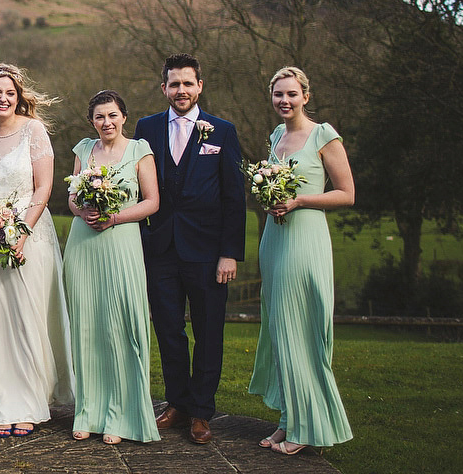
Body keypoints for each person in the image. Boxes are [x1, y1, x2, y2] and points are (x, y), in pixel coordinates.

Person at [134, 53, 245, 445]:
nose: (181, 90)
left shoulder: (222, 131)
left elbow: (235, 197)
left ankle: (201, 412)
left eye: (187, 83)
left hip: (207, 251)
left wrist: (229, 252)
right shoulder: (145, 128)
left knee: (209, 332)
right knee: (168, 331)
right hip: (160, 248)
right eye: (173, 84)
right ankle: (178, 404)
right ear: (163, 88)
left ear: (200, 86)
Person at [0, 63, 73, 437]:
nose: (3, 98)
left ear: (19, 96)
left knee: (27, 317)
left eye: (9, 92)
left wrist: (19, 231)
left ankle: (27, 402)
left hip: (30, 233)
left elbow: (43, 188)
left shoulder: (34, 130)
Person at [249, 66, 354, 455]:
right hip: (275, 237)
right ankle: (288, 419)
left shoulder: (323, 135)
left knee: (301, 331)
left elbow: (347, 193)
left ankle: (308, 427)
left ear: (305, 96)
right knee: (280, 331)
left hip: (305, 237)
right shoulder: (277, 135)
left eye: (291, 94)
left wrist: (299, 200)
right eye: (278, 95)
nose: (285, 101)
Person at [63, 90, 160, 445]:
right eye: (100, 117)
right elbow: (72, 196)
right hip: (83, 245)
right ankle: (87, 411)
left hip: (121, 244)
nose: (107, 122)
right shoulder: (83, 149)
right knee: (86, 326)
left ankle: (120, 414)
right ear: (92, 121)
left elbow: (152, 202)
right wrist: (82, 211)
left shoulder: (140, 150)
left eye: (113, 115)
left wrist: (114, 216)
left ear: (124, 117)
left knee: (119, 326)